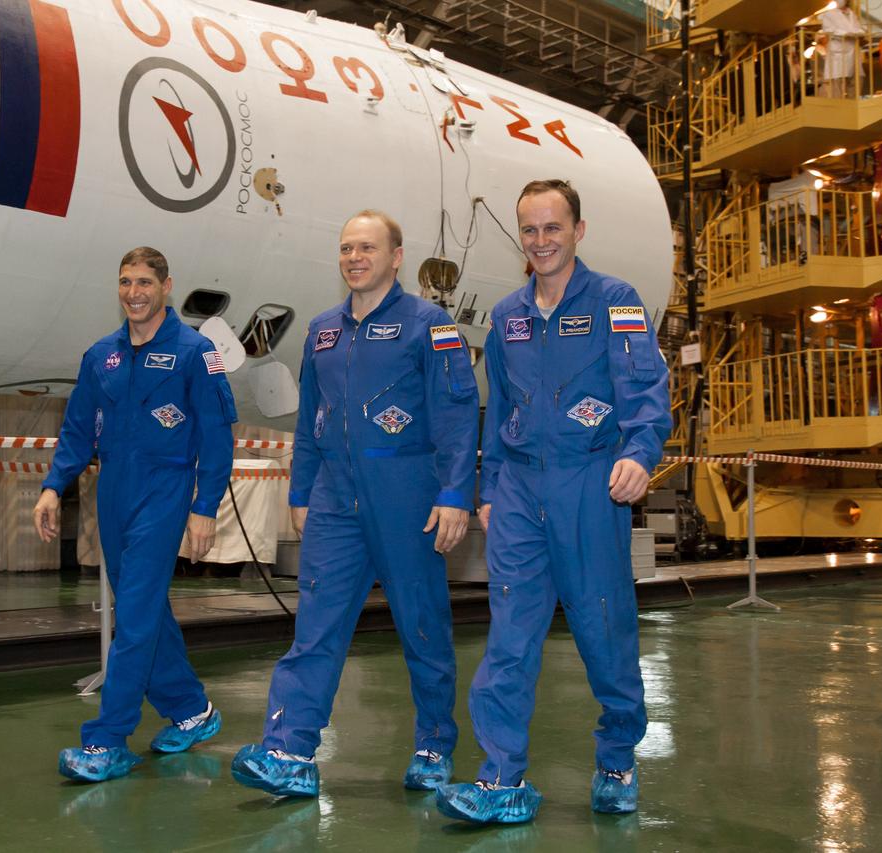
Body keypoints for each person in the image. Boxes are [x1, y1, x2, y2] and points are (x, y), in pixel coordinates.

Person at [435, 180, 671, 824]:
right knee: (510, 635)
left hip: (589, 485)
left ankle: (618, 757)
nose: (541, 241)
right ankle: (501, 776)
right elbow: (500, 405)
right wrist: (488, 486)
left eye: (553, 228)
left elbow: (647, 388)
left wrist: (639, 452)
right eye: (531, 230)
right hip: (517, 492)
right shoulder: (509, 314)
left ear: (578, 230)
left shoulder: (616, 302)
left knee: (602, 629)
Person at [231, 210, 480, 798]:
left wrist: (453, 494)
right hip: (335, 501)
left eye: (367, 248)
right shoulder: (322, 331)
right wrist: (300, 491)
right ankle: (289, 750)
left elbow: (456, 414)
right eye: (346, 248)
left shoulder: (430, 325)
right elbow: (312, 422)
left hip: (408, 500)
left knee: (422, 626)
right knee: (314, 629)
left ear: (397, 257)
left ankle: (433, 743)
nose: (355, 258)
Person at [37, 247, 238, 783]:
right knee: (142, 608)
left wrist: (203, 508)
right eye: (125, 282)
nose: (134, 293)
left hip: (166, 487)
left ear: (166, 286)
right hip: (114, 489)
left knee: (135, 616)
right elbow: (79, 427)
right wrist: (54, 486)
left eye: (145, 282)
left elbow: (218, 440)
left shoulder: (197, 353)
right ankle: (193, 711)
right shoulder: (101, 354)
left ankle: (106, 740)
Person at [819, 0, 865, 99]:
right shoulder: (829, 14)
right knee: (837, 85)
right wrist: (846, 33)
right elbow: (829, 30)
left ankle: (853, 106)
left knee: (855, 82)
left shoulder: (852, 14)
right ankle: (839, 108)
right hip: (838, 52)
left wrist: (857, 33)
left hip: (853, 51)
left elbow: (858, 28)